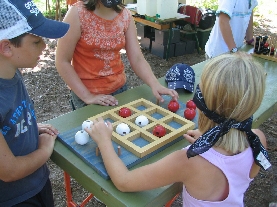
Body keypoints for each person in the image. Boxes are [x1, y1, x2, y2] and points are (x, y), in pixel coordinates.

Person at [85, 52, 271, 206]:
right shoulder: (257, 140)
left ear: (201, 105)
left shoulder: (189, 160)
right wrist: (209, 139)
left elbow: (124, 182)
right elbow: (238, 168)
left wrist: (104, 142)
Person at [0, 0, 69, 206]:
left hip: (36, 181)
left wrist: (29, 128)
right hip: (15, 198)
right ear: (6, 47)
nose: (45, 46)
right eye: (36, 41)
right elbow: (9, 171)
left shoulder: (11, 72)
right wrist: (45, 149)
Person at [55, 0, 178, 110]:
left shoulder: (125, 16)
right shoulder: (77, 14)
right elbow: (62, 61)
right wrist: (88, 96)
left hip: (120, 90)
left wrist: (155, 84)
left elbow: (137, 58)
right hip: (86, 95)